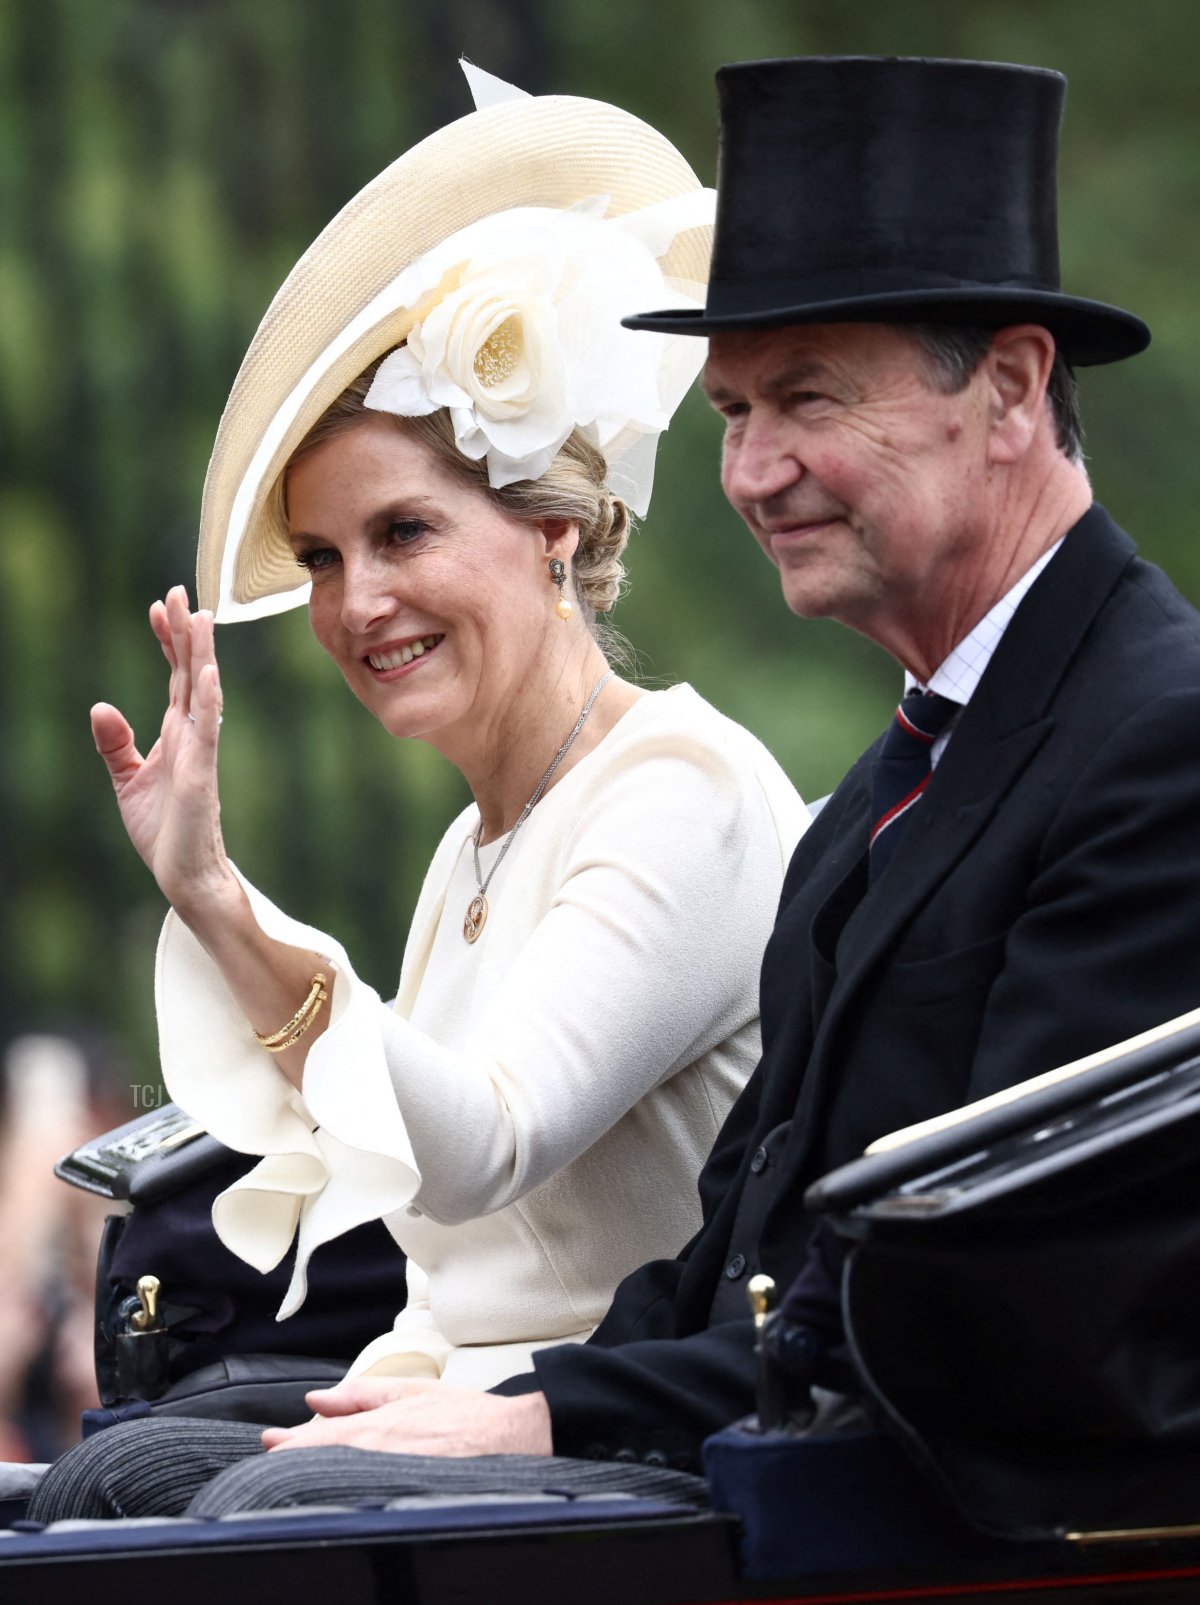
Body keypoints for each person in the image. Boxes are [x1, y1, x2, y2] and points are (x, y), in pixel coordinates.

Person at [37, 51, 1200, 1522]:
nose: (756, 469)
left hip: (922, 1507)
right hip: (771, 1433)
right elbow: (736, 1258)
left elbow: (989, 1295)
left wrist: (538, 1411)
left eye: (809, 400)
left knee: (215, 1509)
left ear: (1016, 386)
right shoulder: (883, 794)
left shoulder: (1151, 738)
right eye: (731, 413)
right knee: (98, 1492)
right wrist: (524, 1400)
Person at [25, 66, 809, 1522]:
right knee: (78, 1481)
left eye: (402, 532)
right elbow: (424, 1227)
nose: (357, 601)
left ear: (557, 533)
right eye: (321, 557)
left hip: (621, 1430)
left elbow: (480, 1142)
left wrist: (215, 892)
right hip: (451, 1392)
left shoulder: (680, 790)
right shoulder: (474, 841)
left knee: (166, 1495)